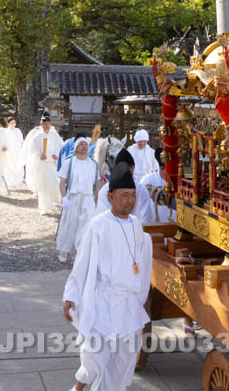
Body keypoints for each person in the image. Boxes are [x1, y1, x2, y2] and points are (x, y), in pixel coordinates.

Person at [62, 162, 153, 391]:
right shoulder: (98, 225)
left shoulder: (136, 226)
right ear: (111, 197)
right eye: (124, 196)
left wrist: (140, 297)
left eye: (133, 195)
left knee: (123, 365)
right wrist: (71, 295)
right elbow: (82, 263)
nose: (130, 201)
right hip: (103, 303)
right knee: (95, 360)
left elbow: (141, 265)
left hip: (128, 306)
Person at [55, 137, 101, 263]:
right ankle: (64, 250)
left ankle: (80, 252)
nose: (84, 146)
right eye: (81, 144)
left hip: (87, 199)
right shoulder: (68, 162)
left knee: (86, 226)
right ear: (76, 147)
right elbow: (62, 182)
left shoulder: (93, 164)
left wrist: (98, 199)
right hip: (72, 198)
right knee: (69, 224)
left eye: (86, 144)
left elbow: (97, 183)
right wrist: (64, 198)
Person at [19, 113, 64, 215]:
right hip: (42, 164)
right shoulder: (37, 136)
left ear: (50, 124)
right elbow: (32, 150)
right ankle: (43, 207)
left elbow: (61, 146)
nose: (46, 126)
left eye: (48, 123)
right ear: (41, 124)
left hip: (52, 164)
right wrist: (39, 156)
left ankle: (52, 204)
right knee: (42, 186)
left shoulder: (54, 134)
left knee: (53, 184)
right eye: (44, 124)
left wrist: (56, 155)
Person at [96, 149, 156, 225]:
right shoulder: (105, 191)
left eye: (130, 176)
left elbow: (146, 220)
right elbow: (104, 221)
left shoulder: (141, 190)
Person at [140, 149, 176, 222]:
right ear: (161, 169)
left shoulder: (178, 182)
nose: (166, 173)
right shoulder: (147, 180)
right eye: (164, 170)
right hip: (154, 223)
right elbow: (142, 206)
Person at [4, 116, 25, 184]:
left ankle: (18, 180)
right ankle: (10, 180)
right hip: (9, 150)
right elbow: (4, 141)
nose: (14, 124)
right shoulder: (6, 131)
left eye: (14, 122)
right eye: (12, 123)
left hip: (18, 149)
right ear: (8, 123)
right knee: (10, 164)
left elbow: (21, 140)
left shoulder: (18, 130)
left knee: (18, 164)